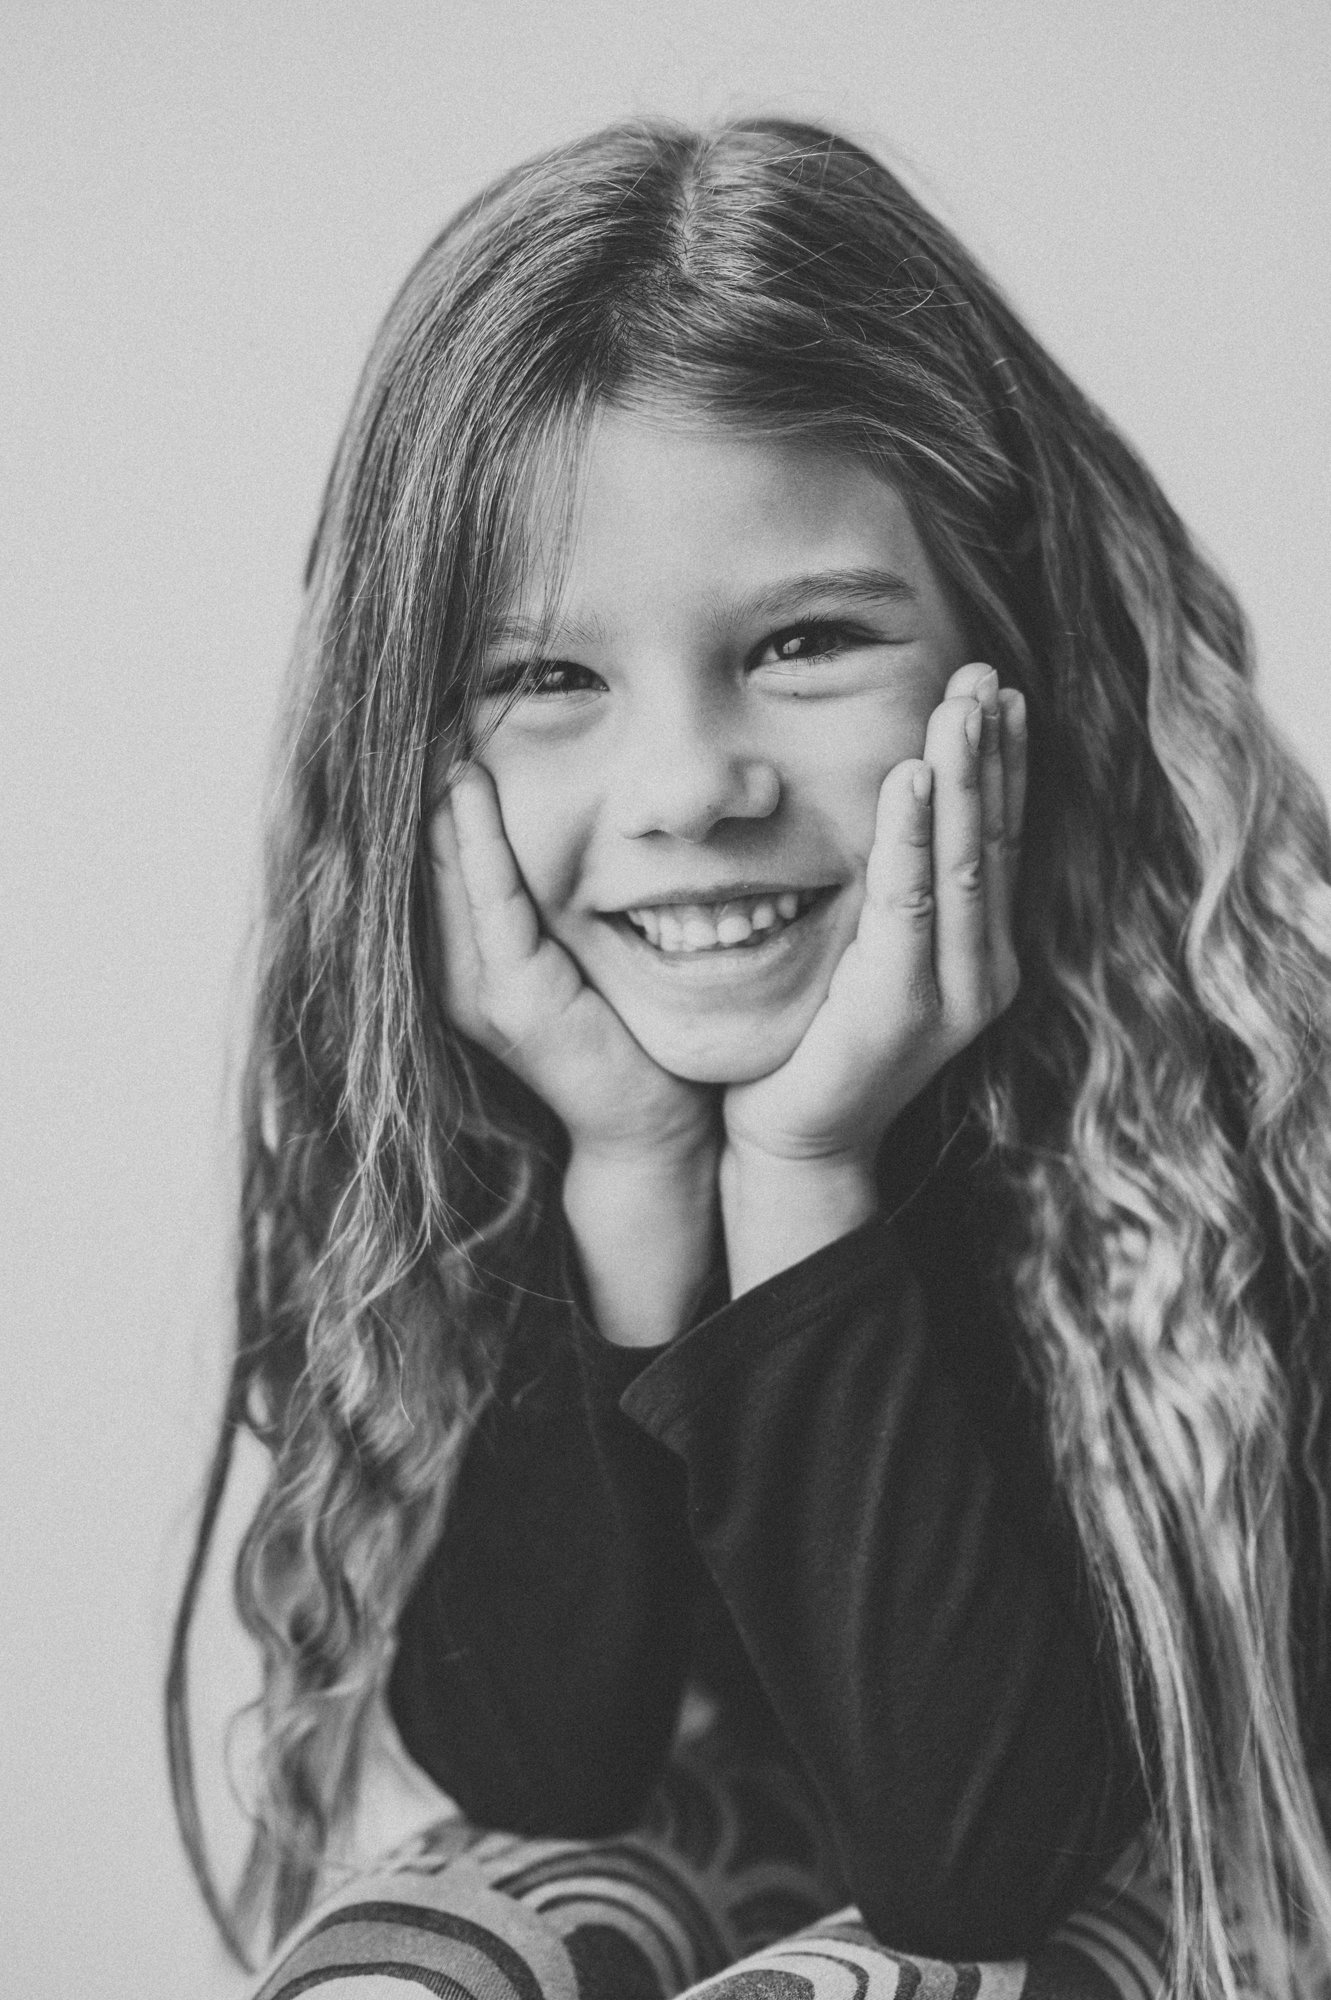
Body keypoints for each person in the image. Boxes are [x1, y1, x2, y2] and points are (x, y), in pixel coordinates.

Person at [166, 117, 1331, 2000]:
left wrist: (805, 1175)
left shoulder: (1240, 1112)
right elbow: (535, 1759)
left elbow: (981, 1858)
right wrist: (629, 1170)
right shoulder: (527, 1111)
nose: (690, 788)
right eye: (546, 678)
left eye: (805, 642)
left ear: (1015, 651)